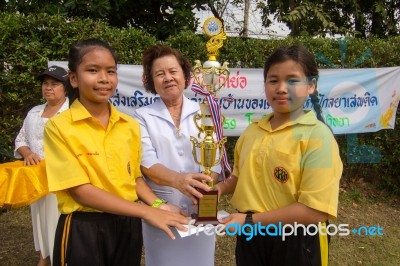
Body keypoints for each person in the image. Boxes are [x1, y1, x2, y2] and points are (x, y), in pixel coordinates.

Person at [43, 39, 189, 266]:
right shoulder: (59, 127)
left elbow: (134, 179)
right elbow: (81, 191)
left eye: (111, 71)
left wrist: (158, 206)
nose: (104, 79)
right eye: (93, 70)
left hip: (128, 227)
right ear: (73, 78)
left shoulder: (128, 125)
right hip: (84, 227)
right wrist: (146, 213)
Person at [217, 45, 343, 266]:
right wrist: (218, 189)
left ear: (311, 86)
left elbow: (314, 211)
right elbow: (240, 176)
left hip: (297, 238)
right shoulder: (253, 131)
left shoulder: (318, 136)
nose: (282, 88)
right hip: (251, 237)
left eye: (293, 80)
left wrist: (249, 220)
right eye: (273, 80)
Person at [134, 44, 221, 266]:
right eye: (159, 74)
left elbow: (216, 161)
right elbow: (147, 163)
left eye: (173, 71)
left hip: (199, 209)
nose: (168, 78)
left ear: (185, 75)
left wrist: (206, 192)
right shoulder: (142, 116)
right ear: (151, 81)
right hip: (162, 208)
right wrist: (178, 181)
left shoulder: (205, 111)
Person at [14, 65, 69, 266]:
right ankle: (44, 257)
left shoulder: (71, 112)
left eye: (54, 84)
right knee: (39, 218)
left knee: (57, 218)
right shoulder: (34, 112)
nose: (48, 88)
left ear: (65, 87)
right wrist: (27, 153)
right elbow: (20, 140)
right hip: (35, 179)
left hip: (60, 179)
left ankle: (60, 258)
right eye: (45, 84)